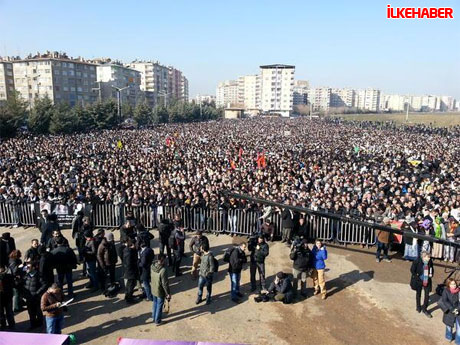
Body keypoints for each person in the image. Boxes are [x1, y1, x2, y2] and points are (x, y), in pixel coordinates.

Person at [410, 251, 434, 318]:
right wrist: (417, 277)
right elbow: (412, 270)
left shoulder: (430, 262)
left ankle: (424, 309)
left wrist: (431, 274)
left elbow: (431, 268)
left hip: (427, 280)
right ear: (423, 257)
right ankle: (418, 306)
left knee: (427, 295)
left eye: (429, 257)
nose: (429, 259)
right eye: (427, 257)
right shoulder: (417, 261)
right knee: (418, 293)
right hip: (419, 280)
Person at [23, 261, 46, 329]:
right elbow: (23, 284)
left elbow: (44, 285)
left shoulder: (39, 275)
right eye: (26, 267)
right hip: (29, 297)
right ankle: (33, 325)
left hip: (36, 298)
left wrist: (37, 293)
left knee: (38, 312)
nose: (27, 268)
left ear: (33, 268)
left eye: (28, 267)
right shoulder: (26, 275)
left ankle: (40, 324)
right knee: (31, 312)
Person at [151, 254, 171, 326]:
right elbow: (165, 284)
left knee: (155, 303)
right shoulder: (163, 270)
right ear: (162, 261)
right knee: (159, 305)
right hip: (160, 291)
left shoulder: (152, 266)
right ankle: (157, 320)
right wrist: (168, 293)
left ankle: (154, 316)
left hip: (153, 288)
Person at [440, 278, 460, 344]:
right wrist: (452, 309)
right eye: (451, 284)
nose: (453, 286)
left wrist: (458, 309)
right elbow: (444, 300)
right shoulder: (446, 291)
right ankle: (449, 337)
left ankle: (458, 341)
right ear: (448, 285)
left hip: (458, 311)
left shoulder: (459, 291)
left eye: (454, 284)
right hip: (449, 311)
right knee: (449, 326)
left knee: (459, 328)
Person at [123, 239, 139, 303]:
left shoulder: (126, 250)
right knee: (131, 285)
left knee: (128, 284)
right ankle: (129, 298)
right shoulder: (130, 252)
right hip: (131, 271)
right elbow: (130, 263)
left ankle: (127, 296)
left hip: (127, 271)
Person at [0, 265, 15, 330]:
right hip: (3, 297)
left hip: (7, 297)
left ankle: (9, 325)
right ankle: (5, 325)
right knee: (2, 313)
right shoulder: (8, 276)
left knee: (8, 312)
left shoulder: (7, 276)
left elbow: (12, 284)